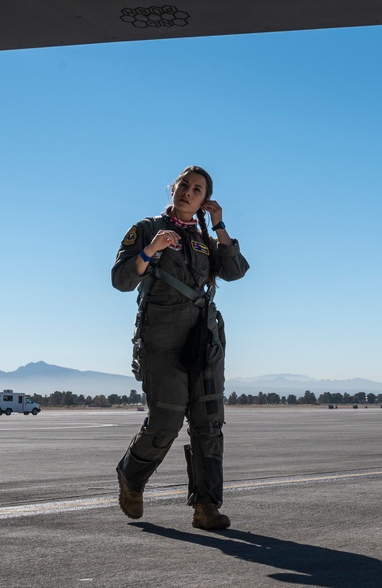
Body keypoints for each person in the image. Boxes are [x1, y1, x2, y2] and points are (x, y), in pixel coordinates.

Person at [111, 165, 249, 530]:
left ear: (205, 200)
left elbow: (234, 271)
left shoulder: (204, 234)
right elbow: (121, 280)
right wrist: (150, 250)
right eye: (184, 185)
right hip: (161, 339)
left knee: (209, 423)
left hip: (203, 339)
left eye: (198, 190)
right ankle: (131, 476)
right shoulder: (146, 229)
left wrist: (219, 225)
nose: (189, 192)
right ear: (173, 188)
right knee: (166, 421)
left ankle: (206, 507)